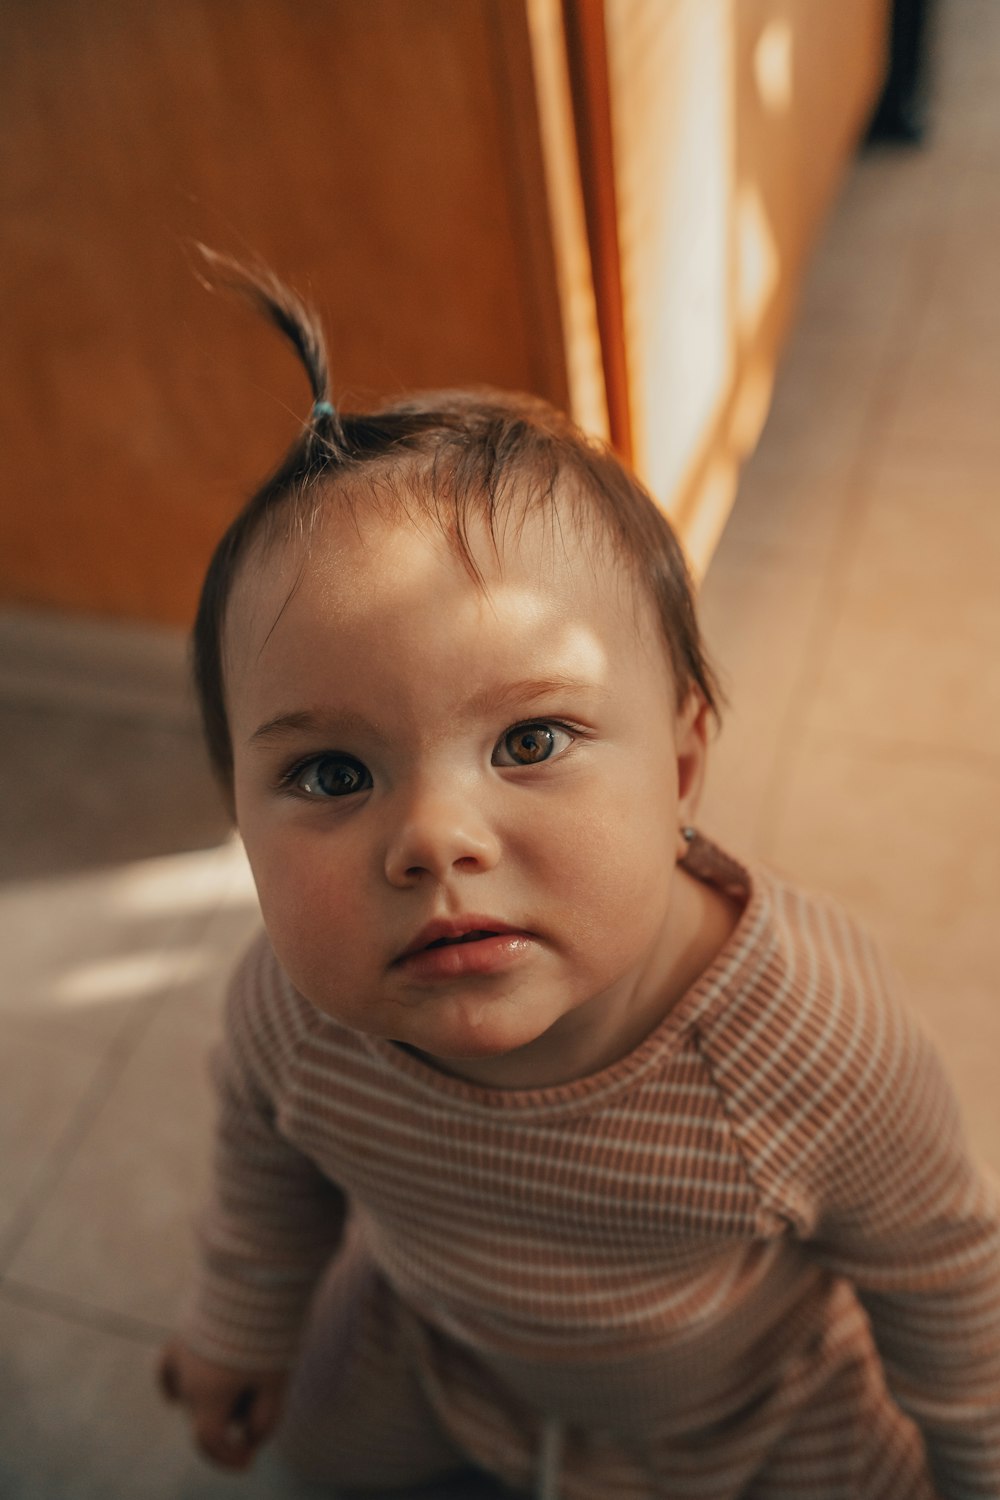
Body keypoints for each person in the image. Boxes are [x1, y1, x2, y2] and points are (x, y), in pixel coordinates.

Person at [158, 254, 1000, 1499]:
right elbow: (266, 1163)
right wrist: (240, 1318)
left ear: (682, 764)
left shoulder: (815, 1046)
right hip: (442, 1342)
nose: (435, 840)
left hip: (742, 1413)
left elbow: (944, 1284)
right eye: (333, 775)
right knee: (320, 1450)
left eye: (530, 741)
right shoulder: (298, 1009)